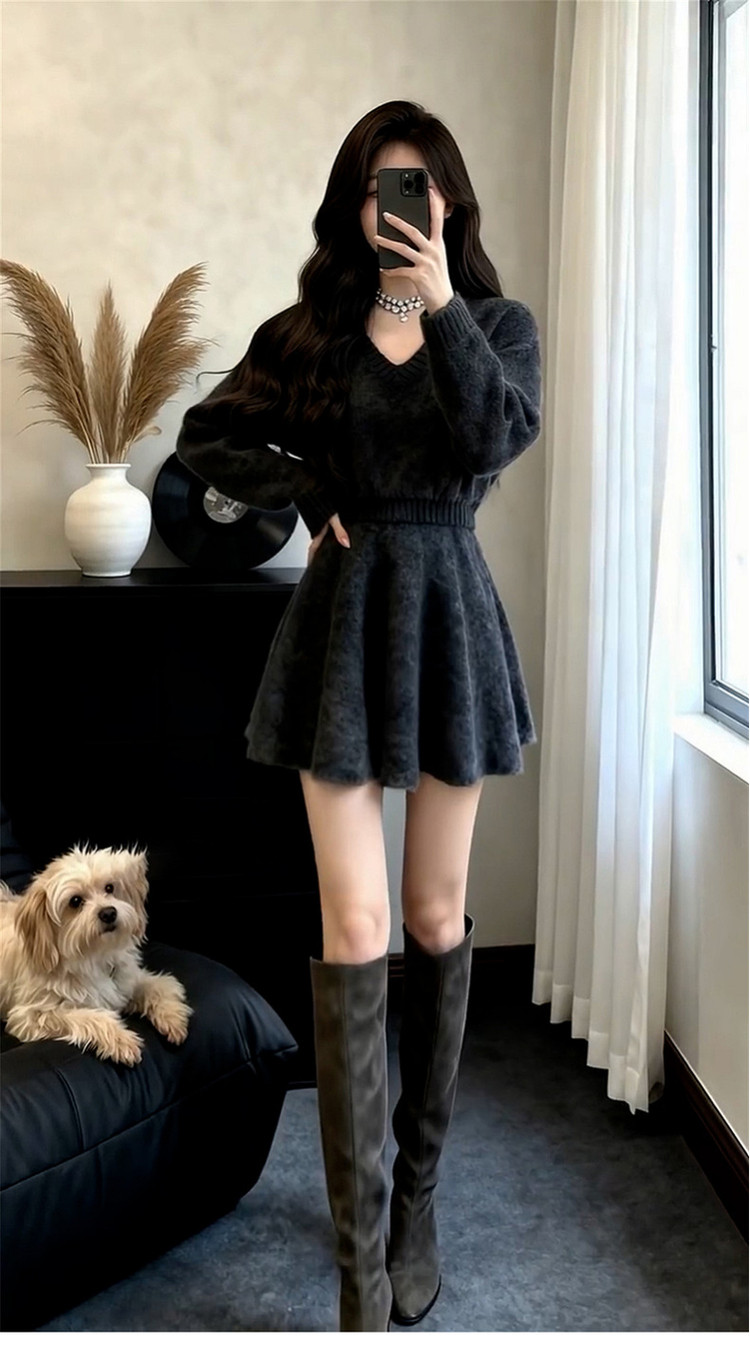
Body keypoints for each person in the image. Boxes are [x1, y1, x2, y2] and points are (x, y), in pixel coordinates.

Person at [175, 99, 542, 1332]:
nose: (403, 205)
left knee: (433, 916)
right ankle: (357, 1258)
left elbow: (496, 435)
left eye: (421, 185)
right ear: (353, 202)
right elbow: (209, 436)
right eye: (384, 185)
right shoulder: (312, 332)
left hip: (448, 622)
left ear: (450, 200)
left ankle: (415, 1204)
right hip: (338, 626)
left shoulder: (496, 324)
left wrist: (439, 305)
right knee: (356, 923)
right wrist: (302, 488)